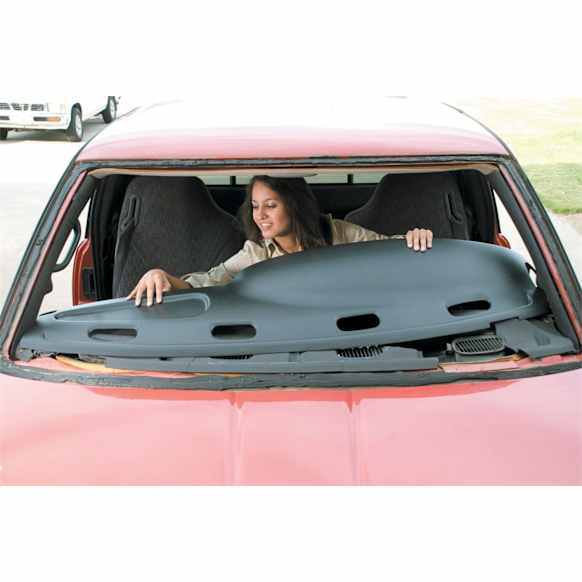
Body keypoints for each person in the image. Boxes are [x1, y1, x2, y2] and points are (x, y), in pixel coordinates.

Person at [129, 175, 433, 307]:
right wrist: (163, 277)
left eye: (270, 206)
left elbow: (389, 252)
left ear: (294, 206)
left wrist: (414, 238)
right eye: (255, 206)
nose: (260, 216)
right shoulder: (255, 253)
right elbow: (209, 282)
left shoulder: (340, 234)